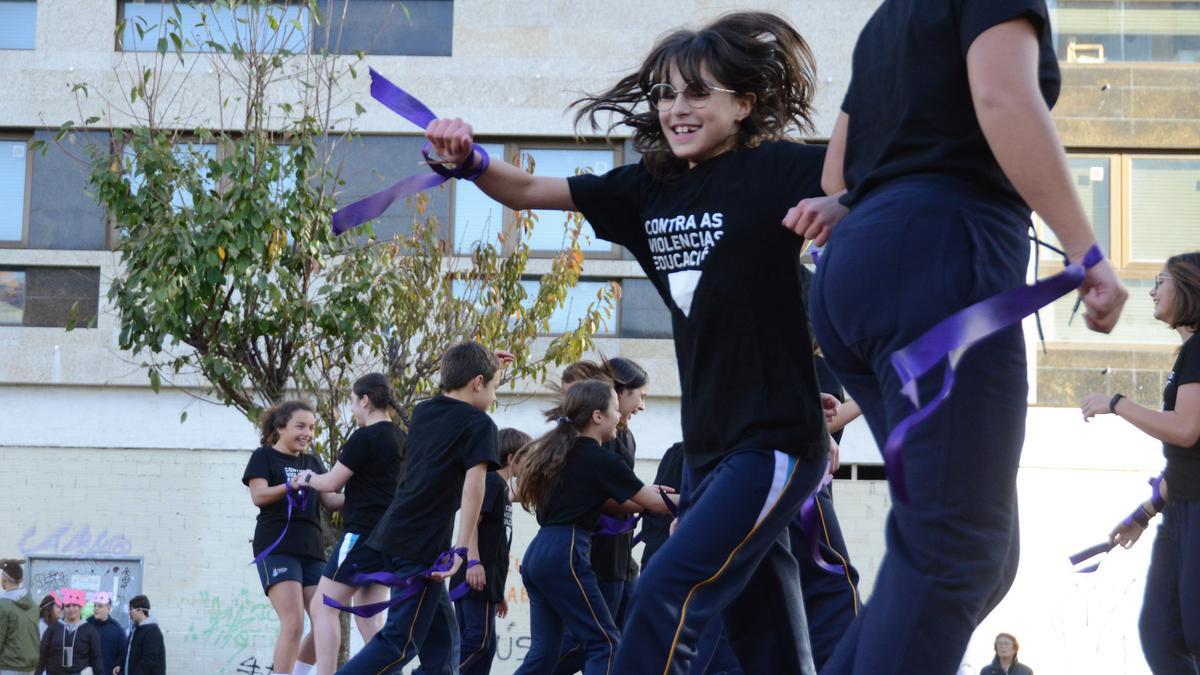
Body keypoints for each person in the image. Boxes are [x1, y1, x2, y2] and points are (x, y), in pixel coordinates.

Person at [424, 12, 832, 672]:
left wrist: (841, 206)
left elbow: (875, 175)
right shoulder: (648, 189)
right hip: (708, 453)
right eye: (667, 94)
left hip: (776, 440)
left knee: (665, 590)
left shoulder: (781, 170)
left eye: (698, 92)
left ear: (744, 103)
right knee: (763, 628)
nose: (677, 108)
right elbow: (527, 189)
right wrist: (467, 160)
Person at [787, 0, 1127, 671]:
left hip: (856, 272)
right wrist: (1087, 251)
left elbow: (837, 175)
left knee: (981, 552)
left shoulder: (890, 20)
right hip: (941, 262)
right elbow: (1003, 99)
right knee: (958, 548)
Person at [335, 341, 507, 674]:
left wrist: (490, 370)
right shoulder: (481, 426)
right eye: (495, 387)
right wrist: (462, 549)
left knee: (442, 645)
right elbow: (474, 488)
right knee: (399, 644)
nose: (495, 395)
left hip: (398, 534)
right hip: (421, 546)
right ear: (477, 382)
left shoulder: (425, 412)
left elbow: (460, 405)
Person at [1081, 252, 1200, 672]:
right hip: (1181, 509)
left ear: (1187, 287)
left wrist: (1116, 403)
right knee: (1161, 635)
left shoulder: (1199, 350)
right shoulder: (1188, 353)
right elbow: (1189, 456)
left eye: (1160, 281)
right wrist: (1145, 512)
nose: (1151, 290)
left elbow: (1186, 430)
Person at [512, 380, 677, 675]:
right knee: (606, 644)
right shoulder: (600, 458)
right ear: (597, 416)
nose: (620, 415)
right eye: (615, 408)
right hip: (567, 551)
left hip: (538, 554)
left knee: (544, 653)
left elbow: (624, 501)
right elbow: (653, 503)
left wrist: (653, 494)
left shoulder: (559, 454)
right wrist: (701, 495)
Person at [290, 373, 406, 675]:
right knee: (369, 619)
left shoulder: (364, 437)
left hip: (361, 536)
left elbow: (332, 482)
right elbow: (369, 493)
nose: (353, 410)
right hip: (389, 539)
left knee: (322, 606)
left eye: (353, 403)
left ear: (365, 400)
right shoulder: (401, 437)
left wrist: (307, 478)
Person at [554, 357, 648, 675]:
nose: (642, 405)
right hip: (596, 557)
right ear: (618, 394)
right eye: (640, 395)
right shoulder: (596, 442)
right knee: (590, 645)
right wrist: (651, 501)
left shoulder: (624, 438)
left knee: (622, 643)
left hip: (621, 557)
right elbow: (613, 496)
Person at [242, 400, 343, 675]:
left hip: (311, 551)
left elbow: (331, 500)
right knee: (294, 622)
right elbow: (258, 495)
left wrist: (366, 496)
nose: (307, 433)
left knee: (324, 617)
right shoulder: (263, 457)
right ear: (281, 427)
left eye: (311, 428)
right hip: (277, 548)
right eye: (300, 426)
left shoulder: (312, 462)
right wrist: (290, 485)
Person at [453, 427, 526, 675]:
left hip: (485, 583)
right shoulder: (493, 482)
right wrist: (473, 562)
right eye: (525, 458)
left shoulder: (502, 489)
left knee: (486, 647)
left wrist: (498, 593)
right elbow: (471, 521)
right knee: (478, 643)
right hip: (473, 578)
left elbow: (497, 542)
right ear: (511, 458)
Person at [35, 589, 102, 675]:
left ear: (80, 607)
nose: (71, 609)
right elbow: (42, 655)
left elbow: (96, 658)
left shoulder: (90, 631)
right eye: (67, 606)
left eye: (74, 605)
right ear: (63, 608)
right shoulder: (52, 629)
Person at [0, 559, 40, 675]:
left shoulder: (3, 605)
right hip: (30, 667)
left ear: (4, 578)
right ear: (21, 580)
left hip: (8, 667)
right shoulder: (33, 605)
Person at [119, 595, 164, 675]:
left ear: (140, 610)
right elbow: (129, 654)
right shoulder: (136, 629)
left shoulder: (152, 632)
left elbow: (148, 661)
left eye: (131, 609)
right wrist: (121, 666)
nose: (129, 613)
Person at [85, 594, 124, 675]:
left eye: (100, 606)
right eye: (95, 605)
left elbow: (123, 653)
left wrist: (118, 665)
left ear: (109, 608)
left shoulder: (117, 629)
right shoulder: (86, 625)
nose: (96, 608)